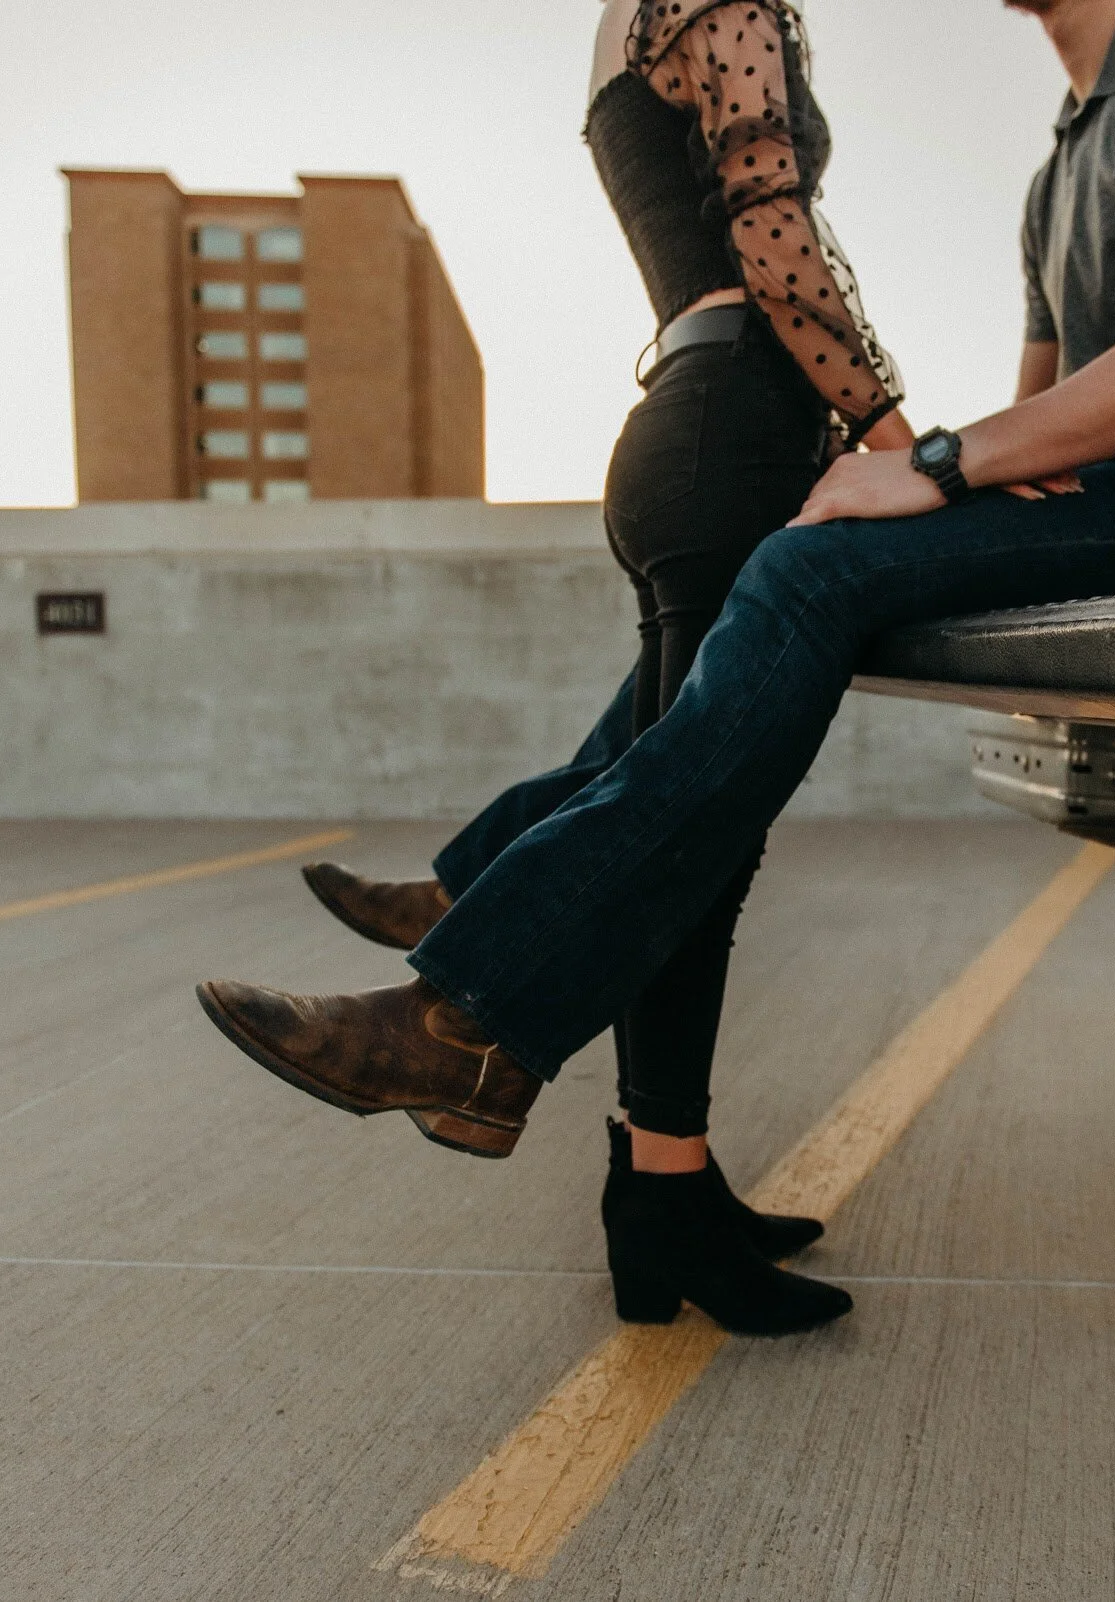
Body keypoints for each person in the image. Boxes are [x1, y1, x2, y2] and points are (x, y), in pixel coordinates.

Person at [198, 0, 1115, 1336]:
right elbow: (1036, 418)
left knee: (806, 575)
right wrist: (925, 481)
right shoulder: (1058, 170)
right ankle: (568, 1088)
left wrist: (929, 467)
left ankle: (474, 1016)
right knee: (786, 589)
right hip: (1108, 489)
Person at [209, 0, 918, 1334]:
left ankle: (663, 1196)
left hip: (684, 426)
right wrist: (902, 441)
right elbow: (774, 235)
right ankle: (484, 1040)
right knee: (695, 834)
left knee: (678, 803)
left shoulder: (622, 24)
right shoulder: (723, 2)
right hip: (741, 427)